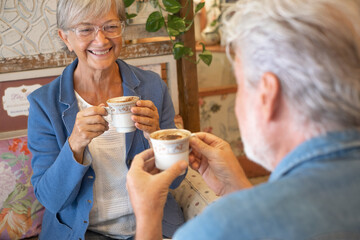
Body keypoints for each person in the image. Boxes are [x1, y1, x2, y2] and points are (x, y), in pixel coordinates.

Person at [126, 0, 360, 239]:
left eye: (242, 86)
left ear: (268, 95)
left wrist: (148, 216)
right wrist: (238, 189)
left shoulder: (215, 230)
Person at [27, 0, 185, 239]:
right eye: (85, 29)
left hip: (152, 224)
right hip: (82, 233)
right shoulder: (44, 104)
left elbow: (177, 178)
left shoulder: (153, 87)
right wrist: (75, 144)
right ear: (66, 38)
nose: (101, 40)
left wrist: (156, 138)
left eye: (110, 26)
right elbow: (51, 198)